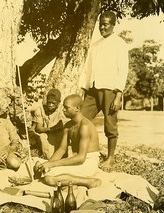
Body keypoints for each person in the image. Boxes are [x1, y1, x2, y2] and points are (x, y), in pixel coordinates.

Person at [79, 11, 129, 167]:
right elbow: (88, 68)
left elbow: (123, 70)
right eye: (100, 24)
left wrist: (118, 95)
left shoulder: (120, 44)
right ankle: (81, 152)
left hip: (110, 90)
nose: (102, 27)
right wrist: (84, 88)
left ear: (113, 25)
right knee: (82, 119)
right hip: (93, 90)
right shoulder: (95, 45)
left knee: (110, 124)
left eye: (106, 24)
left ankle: (110, 157)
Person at [34, 95, 101, 189]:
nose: (63, 110)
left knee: (50, 178)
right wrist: (48, 164)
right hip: (75, 159)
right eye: (63, 107)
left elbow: (81, 158)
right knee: (37, 165)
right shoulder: (68, 126)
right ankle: (70, 181)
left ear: (77, 108)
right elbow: (61, 150)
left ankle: (89, 181)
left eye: (66, 107)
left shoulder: (84, 126)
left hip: (87, 162)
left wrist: (52, 164)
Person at [32, 88, 68, 159]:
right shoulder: (40, 110)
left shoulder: (62, 110)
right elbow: (39, 129)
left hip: (60, 135)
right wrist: (51, 129)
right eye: (49, 102)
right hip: (47, 134)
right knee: (43, 137)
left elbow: (66, 125)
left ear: (58, 102)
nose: (50, 105)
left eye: (53, 103)